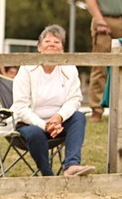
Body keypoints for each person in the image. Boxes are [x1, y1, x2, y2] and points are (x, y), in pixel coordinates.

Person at [11, 25, 93, 177]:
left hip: (59, 123)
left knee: (79, 117)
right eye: (47, 40)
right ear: (39, 48)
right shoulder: (26, 69)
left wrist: (58, 117)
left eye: (57, 41)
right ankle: (48, 176)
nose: (51, 44)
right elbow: (20, 108)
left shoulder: (69, 69)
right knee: (35, 133)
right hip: (30, 124)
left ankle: (71, 166)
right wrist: (45, 125)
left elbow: (74, 100)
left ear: (62, 49)